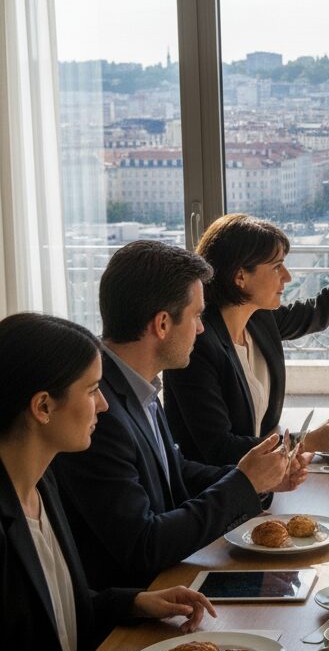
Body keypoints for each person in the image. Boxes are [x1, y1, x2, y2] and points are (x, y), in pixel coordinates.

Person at [0, 313, 216, 651]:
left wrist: (135, 602)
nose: (103, 406)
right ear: (43, 407)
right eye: (92, 390)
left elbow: (53, 614)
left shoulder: (44, 484)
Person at [53, 241, 305, 590]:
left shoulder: (132, 381)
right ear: (162, 324)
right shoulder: (98, 411)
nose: (201, 329)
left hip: (173, 580)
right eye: (197, 315)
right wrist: (244, 484)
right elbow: (145, 545)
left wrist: (257, 481)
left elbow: (175, 473)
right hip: (144, 601)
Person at [164, 211, 329, 464]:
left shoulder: (259, 319)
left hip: (265, 475)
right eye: (276, 267)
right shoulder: (196, 345)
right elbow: (220, 449)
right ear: (240, 277)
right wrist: (307, 441)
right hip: (219, 485)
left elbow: (319, 310)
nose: (288, 276)